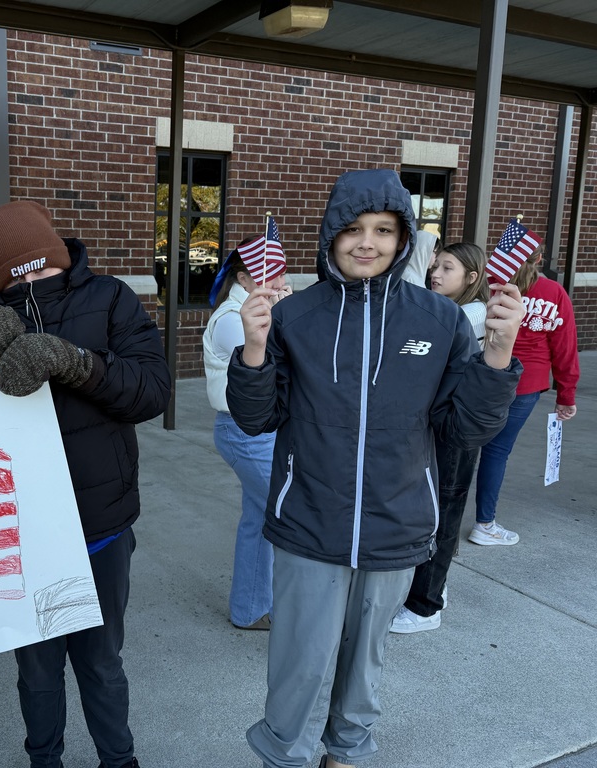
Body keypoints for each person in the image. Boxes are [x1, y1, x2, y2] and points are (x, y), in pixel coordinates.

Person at [226, 169, 524, 768]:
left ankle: (346, 754)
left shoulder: (437, 320)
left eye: (385, 230)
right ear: (331, 236)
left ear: (404, 238)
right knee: (298, 665)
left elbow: (466, 428)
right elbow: (258, 418)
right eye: (354, 229)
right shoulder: (296, 316)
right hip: (310, 522)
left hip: (396, 522)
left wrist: (498, 355)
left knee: (365, 666)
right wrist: (253, 350)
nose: (368, 242)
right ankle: (282, 755)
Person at [0, 200, 171, 768]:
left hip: (101, 523)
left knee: (101, 660)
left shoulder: (110, 298)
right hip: (20, 529)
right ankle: (45, 759)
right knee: (37, 666)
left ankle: (119, 759)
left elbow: (151, 390)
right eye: (19, 274)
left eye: (44, 267)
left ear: (63, 258)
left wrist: (78, 363)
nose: (35, 280)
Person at [391, 242, 491, 633]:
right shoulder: (453, 310)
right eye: (436, 266)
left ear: (472, 277)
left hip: (456, 429)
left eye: (448, 268)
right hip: (443, 425)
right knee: (437, 510)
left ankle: (425, 607)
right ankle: (436, 587)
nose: (436, 274)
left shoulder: (466, 314)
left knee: (442, 514)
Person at [202, 243, 292, 630]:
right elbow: (277, 355)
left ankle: (251, 608)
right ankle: (285, 608)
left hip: (258, 429)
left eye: (282, 271)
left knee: (260, 518)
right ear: (243, 279)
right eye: (272, 273)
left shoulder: (256, 311)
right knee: (288, 515)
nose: (283, 280)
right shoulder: (229, 319)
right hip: (242, 431)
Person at [470, 243, 580, 546]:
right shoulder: (555, 293)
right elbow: (565, 348)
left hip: (481, 378)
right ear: (540, 258)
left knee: (460, 447)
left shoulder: (486, 286)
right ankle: (484, 523)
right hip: (525, 385)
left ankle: (438, 519)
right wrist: (566, 395)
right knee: (496, 452)